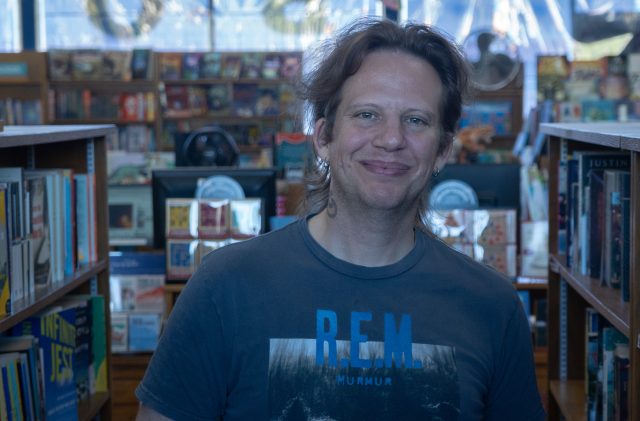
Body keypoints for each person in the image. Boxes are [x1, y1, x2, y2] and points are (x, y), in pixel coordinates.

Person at [136, 17, 545, 420]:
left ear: (442, 151)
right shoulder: (224, 288)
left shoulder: (493, 308)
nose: (390, 139)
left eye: (416, 120)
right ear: (323, 138)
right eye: (367, 114)